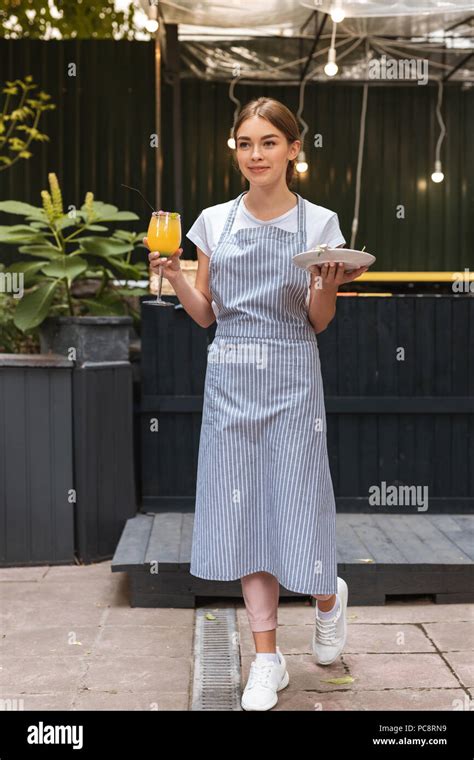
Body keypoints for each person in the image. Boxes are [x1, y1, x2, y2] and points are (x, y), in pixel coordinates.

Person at [145, 97, 368, 711]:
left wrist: (325, 284)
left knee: (300, 503)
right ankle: (266, 659)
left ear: (294, 149)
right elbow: (207, 315)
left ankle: (327, 596)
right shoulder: (214, 222)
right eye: (245, 143)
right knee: (243, 515)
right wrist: (176, 274)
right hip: (231, 376)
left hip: (294, 372)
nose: (256, 154)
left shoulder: (320, 224)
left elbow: (319, 321)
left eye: (269, 142)